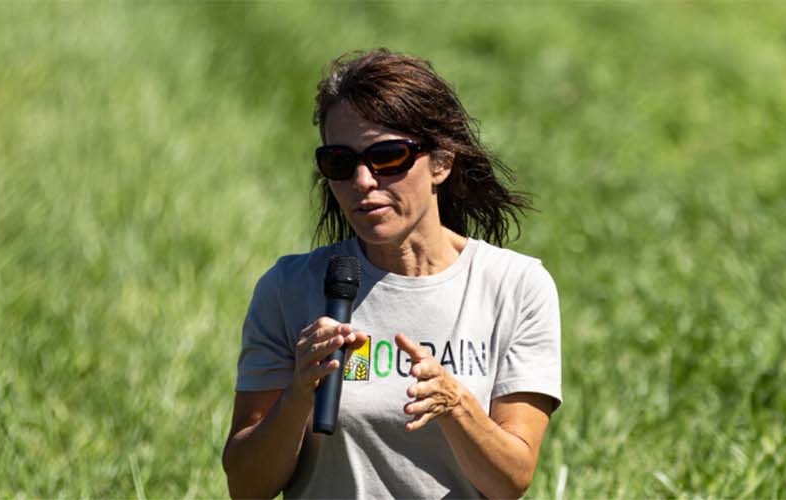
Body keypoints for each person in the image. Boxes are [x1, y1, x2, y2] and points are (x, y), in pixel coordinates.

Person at [221, 48, 562, 499]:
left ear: (440, 163)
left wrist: (455, 405)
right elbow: (246, 486)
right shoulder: (289, 288)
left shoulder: (515, 287)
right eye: (340, 163)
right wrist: (298, 394)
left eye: (387, 157)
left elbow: (511, 480)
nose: (362, 180)